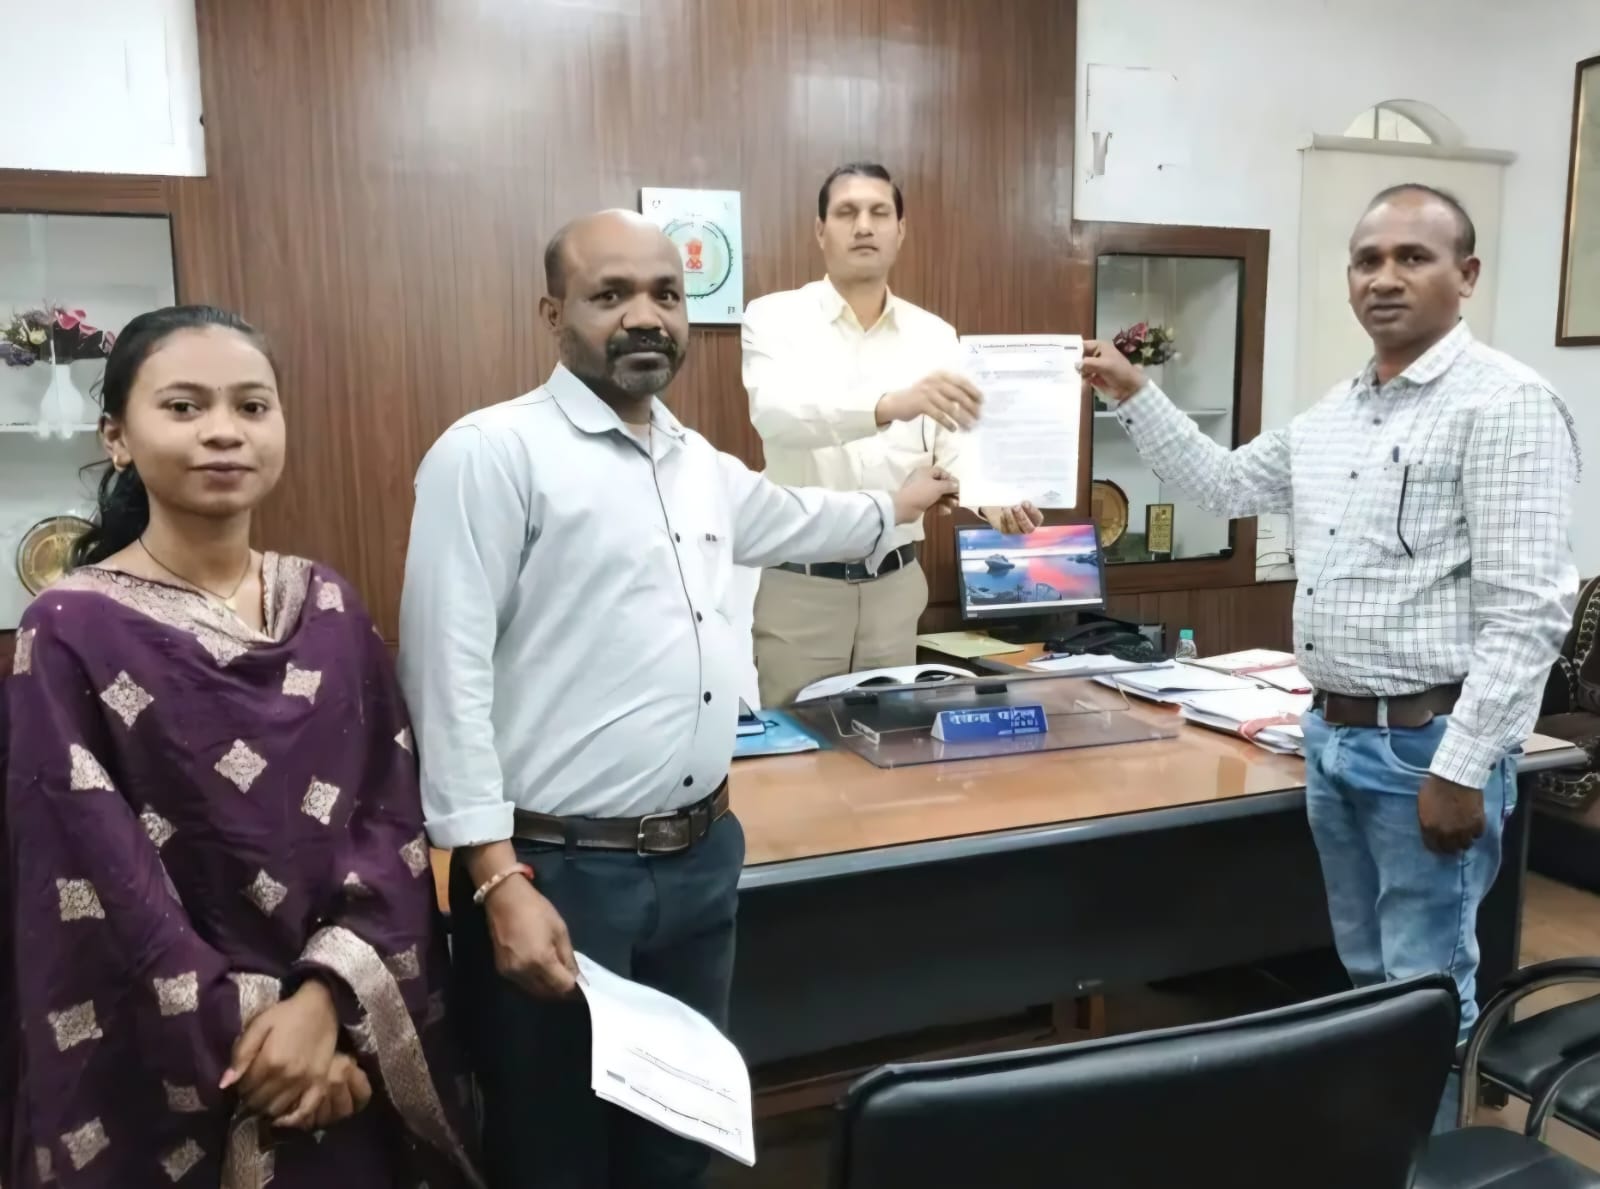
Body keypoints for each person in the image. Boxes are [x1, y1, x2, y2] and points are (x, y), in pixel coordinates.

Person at [397, 208, 959, 1189]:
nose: (645, 316)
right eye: (610, 295)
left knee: (673, 1140)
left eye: (666, 294)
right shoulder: (490, 452)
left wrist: (899, 504)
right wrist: (493, 878)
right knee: (553, 1149)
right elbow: (445, 677)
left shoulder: (693, 460)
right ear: (553, 314)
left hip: (699, 861)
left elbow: (795, 518)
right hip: (557, 874)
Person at [1080, 184, 1579, 1131]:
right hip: (1335, 740)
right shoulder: (1338, 413)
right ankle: (1377, 1147)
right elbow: (1222, 484)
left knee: (1425, 986)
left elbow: (1529, 609)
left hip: (1426, 747)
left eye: (1413, 257)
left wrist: (1463, 765)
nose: (1384, 278)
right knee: (1366, 977)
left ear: (1466, 275)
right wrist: (1133, 394)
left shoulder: (1505, 404)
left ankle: (1425, 1162)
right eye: (1367, 260)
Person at [1, 306, 481, 1188]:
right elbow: (93, 880)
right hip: (170, 1064)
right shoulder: (68, 628)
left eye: (252, 406)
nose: (223, 430)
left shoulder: (329, 607)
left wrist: (325, 1004)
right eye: (183, 407)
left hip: (346, 1031)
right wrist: (263, 1039)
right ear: (116, 436)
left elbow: (388, 822)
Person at [741, 162, 1043, 706]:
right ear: (820, 230)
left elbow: (957, 443)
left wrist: (991, 500)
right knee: (800, 748)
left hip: (896, 587)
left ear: (900, 231)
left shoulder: (935, 335)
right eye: (847, 212)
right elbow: (776, 414)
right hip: (803, 586)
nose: (864, 226)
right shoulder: (774, 319)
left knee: (890, 742)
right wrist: (888, 406)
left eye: (879, 213)